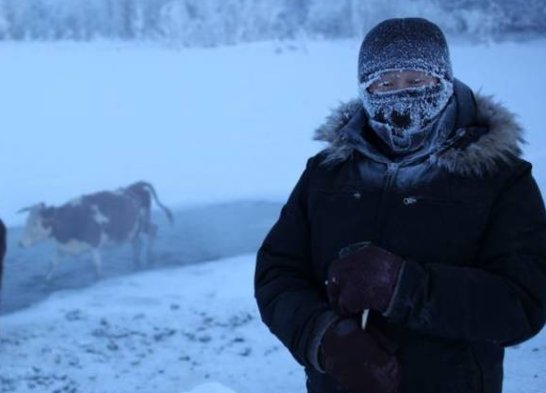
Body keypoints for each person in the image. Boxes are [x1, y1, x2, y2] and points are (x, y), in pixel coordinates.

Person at [254, 17, 546, 393]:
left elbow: (523, 303)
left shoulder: (499, 179)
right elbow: (277, 272)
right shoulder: (327, 174)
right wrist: (326, 338)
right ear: (365, 89)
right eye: (385, 83)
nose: (401, 95)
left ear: (444, 81)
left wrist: (403, 288)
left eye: (417, 80)